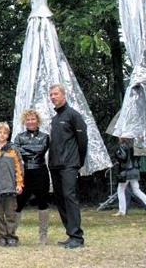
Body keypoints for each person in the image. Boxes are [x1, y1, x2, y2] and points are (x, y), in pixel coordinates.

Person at [48, 83, 88, 249]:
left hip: (69, 164)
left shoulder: (73, 115)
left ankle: (77, 237)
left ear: (63, 95)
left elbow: (82, 141)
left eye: (55, 94)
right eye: (51, 95)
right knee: (60, 199)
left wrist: (78, 161)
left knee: (69, 197)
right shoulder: (55, 119)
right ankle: (70, 233)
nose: (53, 97)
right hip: (55, 165)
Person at [14, 109, 50, 244]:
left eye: (33, 119)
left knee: (43, 203)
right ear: (24, 122)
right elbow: (16, 151)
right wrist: (31, 150)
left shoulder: (45, 136)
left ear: (38, 121)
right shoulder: (19, 137)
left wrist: (26, 150)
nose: (30, 122)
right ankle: (12, 234)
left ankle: (43, 236)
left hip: (41, 173)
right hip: (24, 174)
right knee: (18, 204)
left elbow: (41, 149)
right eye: (28, 119)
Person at [0, 121, 23, 247]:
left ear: (8, 134)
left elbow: (19, 168)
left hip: (11, 188)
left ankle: (11, 236)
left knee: (11, 214)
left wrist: (19, 184)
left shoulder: (13, 150)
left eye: (5, 133)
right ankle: (1, 236)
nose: (2, 135)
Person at [113, 138, 146, 216]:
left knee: (120, 190)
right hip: (135, 170)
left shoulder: (123, 146)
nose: (118, 138)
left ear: (123, 138)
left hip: (126, 171)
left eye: (120, 136)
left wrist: (116, 155)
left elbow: (123, 158)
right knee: (137, 190)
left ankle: (122, 211)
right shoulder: (135, 146)